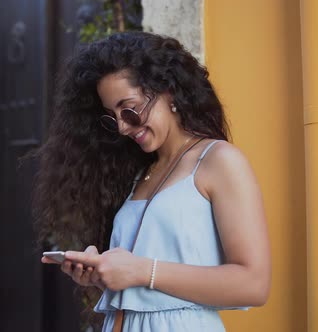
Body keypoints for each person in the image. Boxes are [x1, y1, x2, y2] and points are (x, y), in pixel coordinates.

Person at [35, 31, 271, 332]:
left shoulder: (218, 161)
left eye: (129, 108)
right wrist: (102, 272)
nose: (122, 126)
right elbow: (140, 282)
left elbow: (254, 284)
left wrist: (141, 272)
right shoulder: (141, 174)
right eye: (113, 116)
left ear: (167, 91)